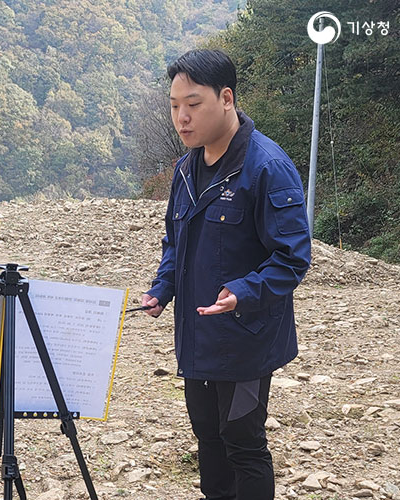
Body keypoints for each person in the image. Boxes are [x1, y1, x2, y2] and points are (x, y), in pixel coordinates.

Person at [141, 49, 311, 499]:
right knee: (208, 441)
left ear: (227, 98)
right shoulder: (185, 169)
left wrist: (243, 291)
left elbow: (293, 257)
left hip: (245, 339)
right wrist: (163, 288)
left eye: (193, 105)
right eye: (175, 105)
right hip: (197, 335)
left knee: (243, 443)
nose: (182, 117)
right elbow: (176, 243)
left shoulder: (267, 167)